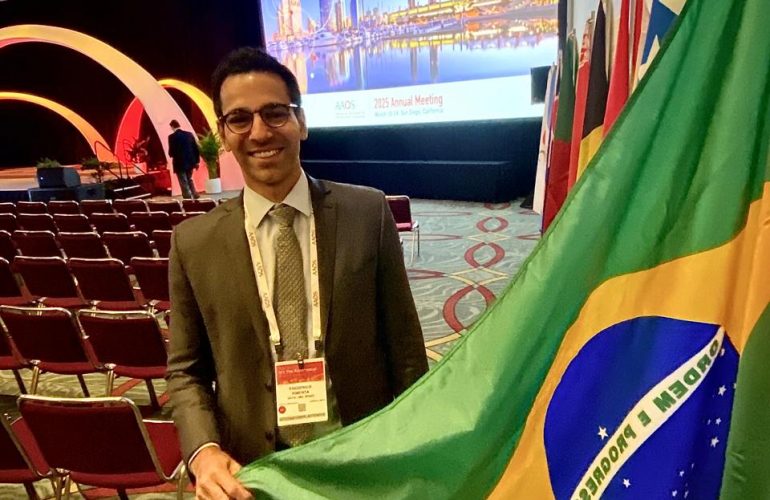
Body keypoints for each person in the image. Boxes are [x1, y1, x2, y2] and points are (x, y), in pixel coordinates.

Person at [166, 47, 428, 499]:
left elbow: (404, 347)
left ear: (301, 122)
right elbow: (186, 371)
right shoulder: (194, 243)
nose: (260, 132)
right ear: (223, 134)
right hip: (255, 474)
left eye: (274, 113)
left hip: (362, 459)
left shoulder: (367, 213)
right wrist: (204, 451)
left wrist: (413, 447)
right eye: (239, 119)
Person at [167, 119, 200, 199]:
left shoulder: (171, 137)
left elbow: (171, 152)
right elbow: (195, 148)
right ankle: (194, 194)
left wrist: (171, 154)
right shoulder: (189, 134)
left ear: (172, 127)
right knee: (189, 178)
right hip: (190, 161)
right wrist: (197, 161)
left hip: (179, 162)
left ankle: (187, 196)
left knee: (183, 180)